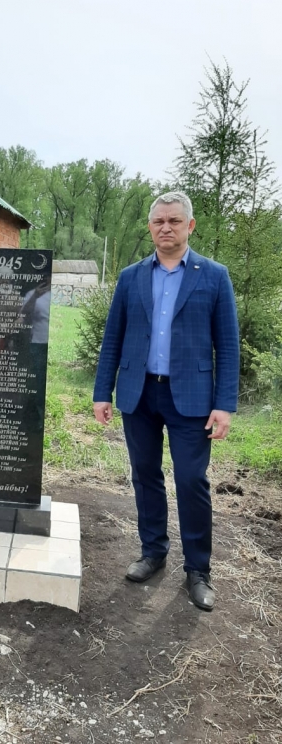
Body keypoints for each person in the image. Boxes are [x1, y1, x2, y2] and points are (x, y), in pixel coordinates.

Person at [92, 191, 239, 611]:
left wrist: (225, 404)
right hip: (139, 392)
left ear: (189, 226)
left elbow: (228, 345)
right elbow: (113, 338)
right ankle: (153, 551)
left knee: (191, 480)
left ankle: (198, 570)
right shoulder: (131, 277)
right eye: (159, 221)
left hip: (192, 398)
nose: (166, 228)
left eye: (174, 221)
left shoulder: (214, 276)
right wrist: (102, 392)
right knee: (145, 474)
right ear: (150, 227)